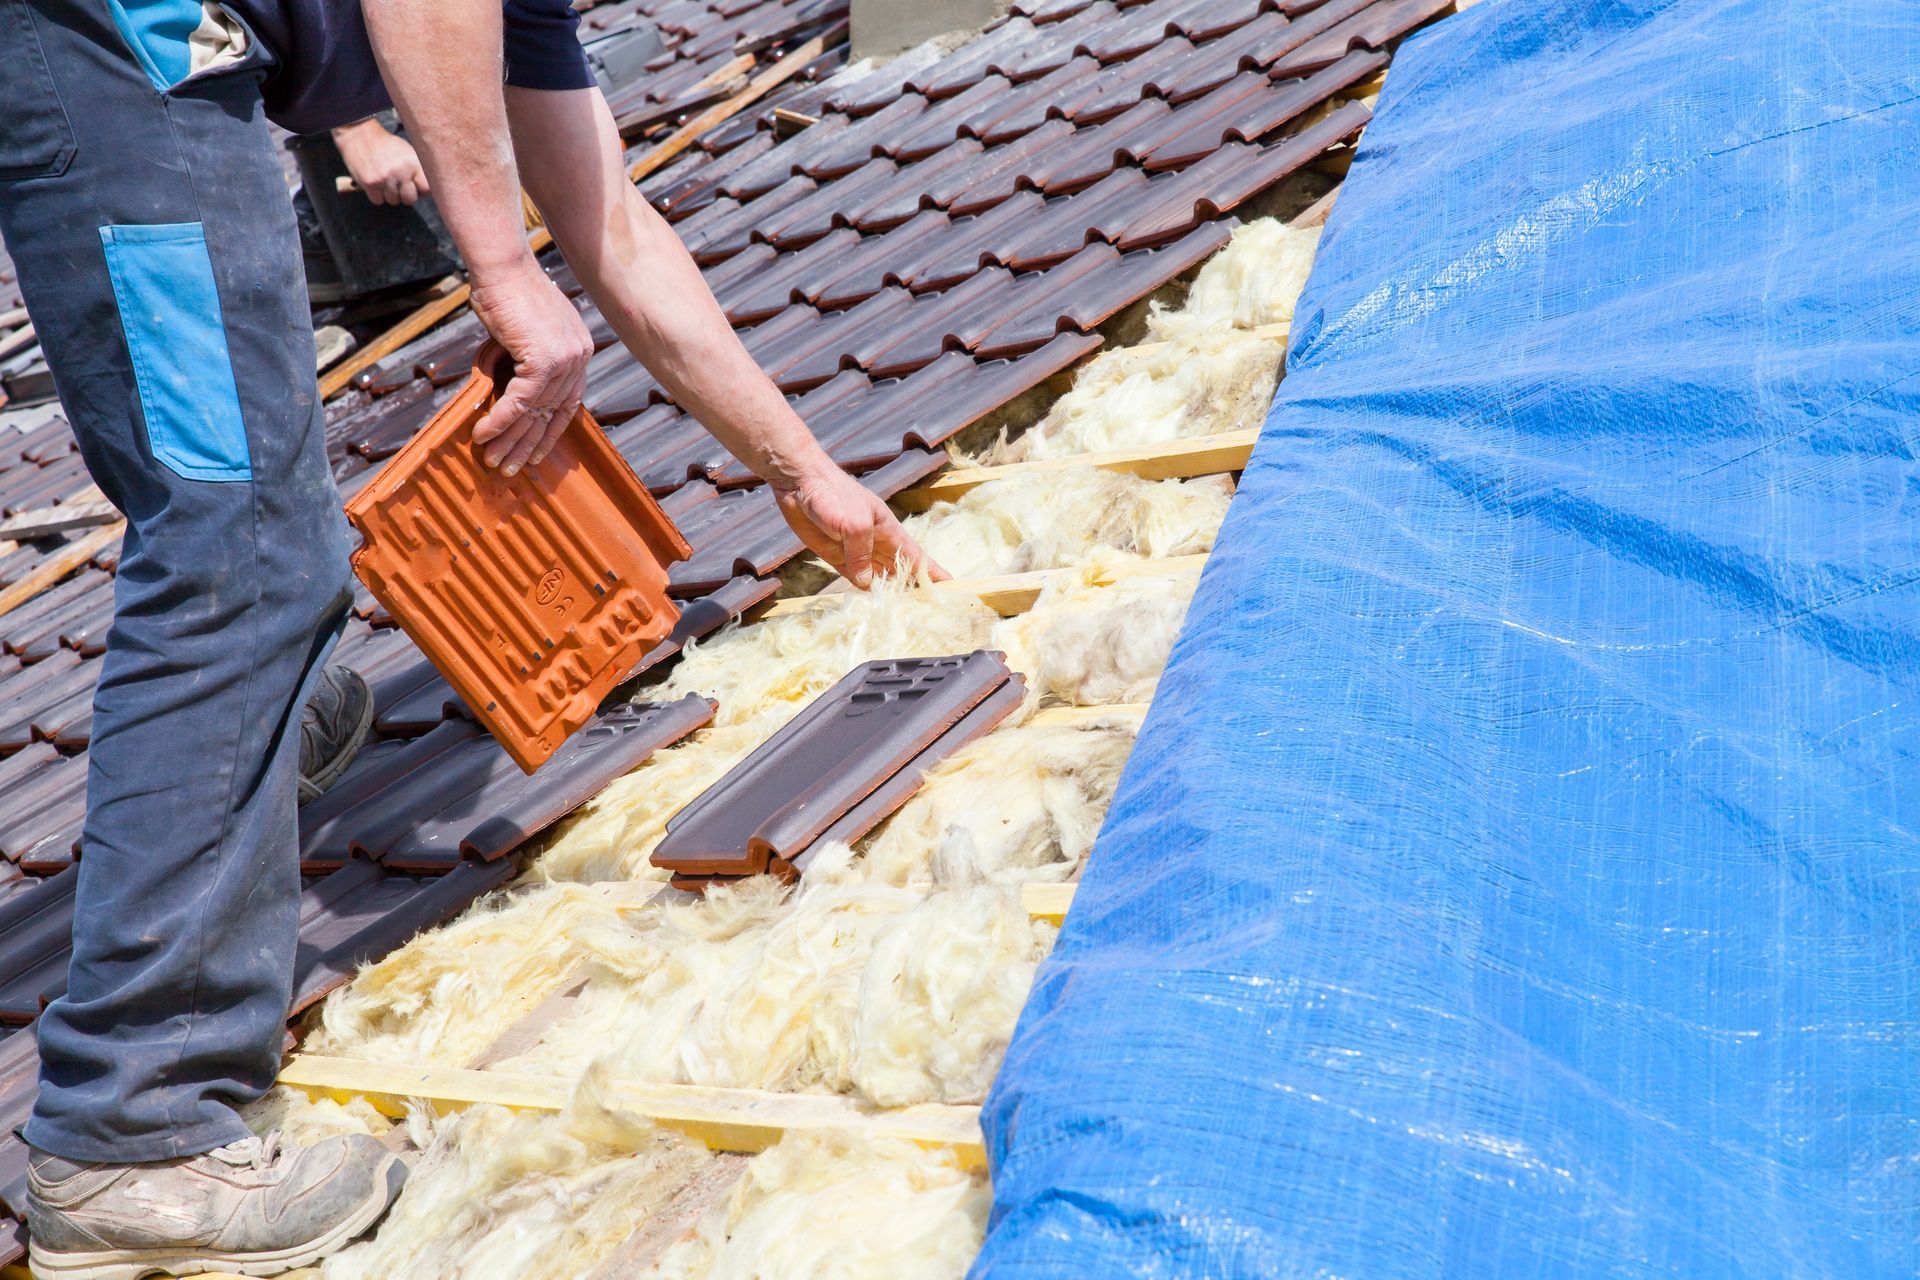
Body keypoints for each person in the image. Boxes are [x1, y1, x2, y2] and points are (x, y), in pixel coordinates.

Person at [0, 0, 940, 1274]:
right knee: (245, 545)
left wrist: (804, 474)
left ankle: (261, 725)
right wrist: (500, 272)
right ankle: (135, 1124)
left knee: (252, 549)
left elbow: (607, 217)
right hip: (119, 44)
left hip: (121, 57)